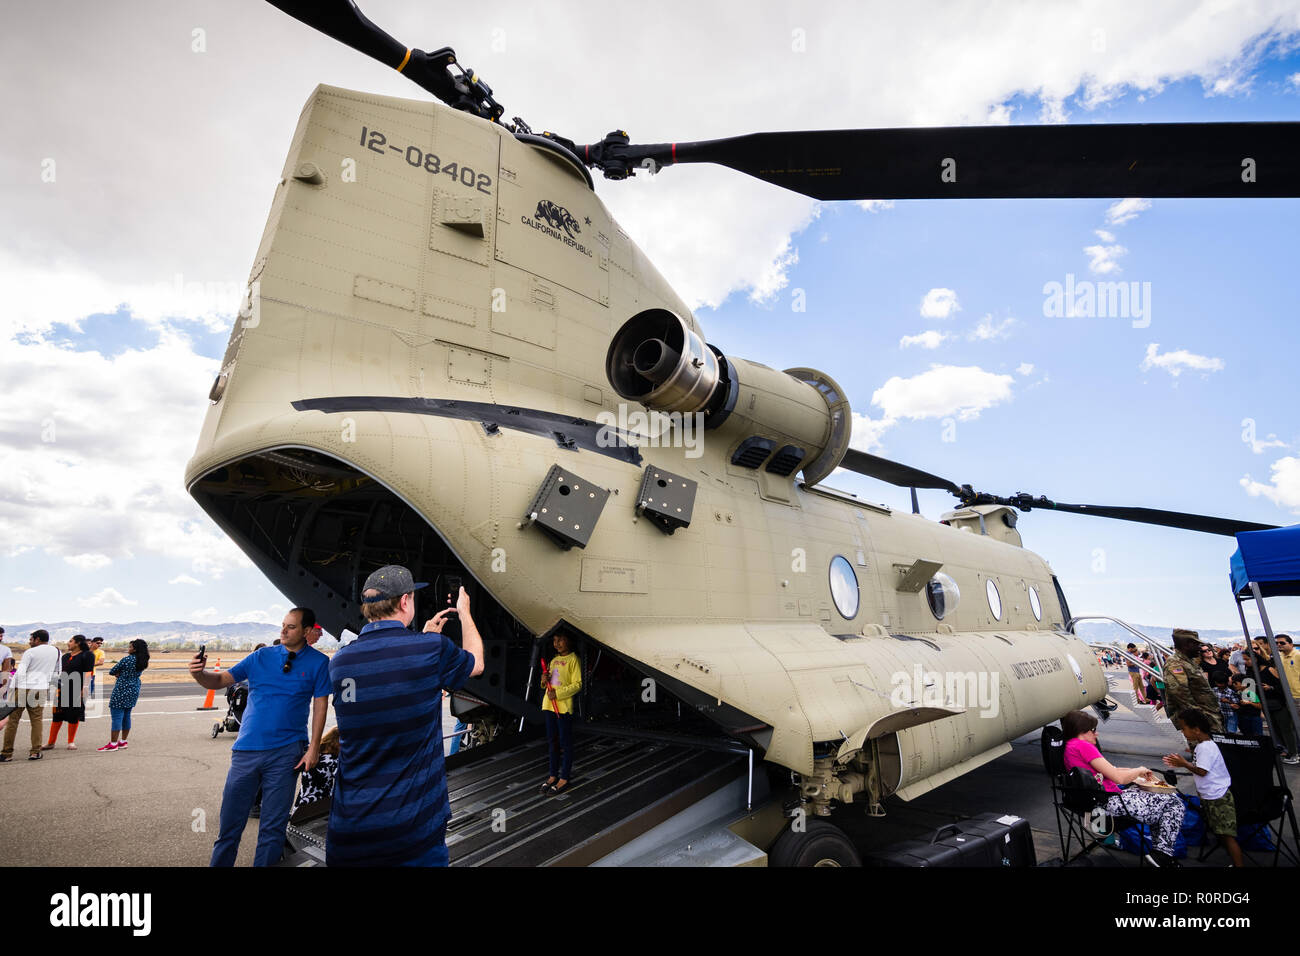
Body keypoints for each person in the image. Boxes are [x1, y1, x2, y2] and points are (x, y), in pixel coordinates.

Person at [326, 565, 484, 867]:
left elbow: (385, 682)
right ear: (404, 602)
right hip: (412, 836)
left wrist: (421, 641)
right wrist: (464, 613)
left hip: (350, 834)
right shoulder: (429, 650)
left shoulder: (340, 662)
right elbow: (475, 664)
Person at [190, 608, 330, 866]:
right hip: (246, 752)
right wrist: (199, 673)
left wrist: (314, 749)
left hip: (287, 753)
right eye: (283, 625)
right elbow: (220, 679)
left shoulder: (319, 663)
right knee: (229, 827)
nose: (283, 631)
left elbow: (320, 705)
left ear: (307, 631)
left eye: (291, 627)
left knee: (272, 830)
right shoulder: (260, 657)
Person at [1060, 708, 1186, 867]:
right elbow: (1118, 777)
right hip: (1109, 802)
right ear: (1082, 731)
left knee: (1163, 801)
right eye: (1093, 730)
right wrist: (1139, 770)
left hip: (1096, 801)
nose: (1096, 734)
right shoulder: (1083, 746)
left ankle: (1161, 854)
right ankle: (1162, 854)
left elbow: (1111, 769)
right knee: (1174, 803)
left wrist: (1138, 772)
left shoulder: (1071, 746)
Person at [1164, 708, 1244, 867]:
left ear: (1196, 730)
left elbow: (1202, 771)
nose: (1182, 731)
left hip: (1218, 797)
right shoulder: (1203, 746)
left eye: (1183, 728)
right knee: (1221, 833)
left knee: (1227, 836)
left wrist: (1184, 764)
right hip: (1211, 796)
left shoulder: (1205, 748)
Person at [1, 630, 61, 761]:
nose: (29, 641)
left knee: (13, 721)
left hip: (23, 687)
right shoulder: (56, 651)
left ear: (37, 639)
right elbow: (57, 671)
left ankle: (7, 753)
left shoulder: (30, 652)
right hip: (41, 689)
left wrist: (11, 689)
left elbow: (20, 672)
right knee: (36, 721)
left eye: (31, 639)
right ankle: (35, 752)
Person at [539, 630, 582, 793]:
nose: (556, 643)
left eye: (561, 640)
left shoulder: (573, 660)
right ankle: (552, 775)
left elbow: (577, 684)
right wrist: (544, 681)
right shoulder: (554, 660)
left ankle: (564, 777)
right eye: (555, 640)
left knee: (565, 743)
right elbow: (548, 682)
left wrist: (558, 694)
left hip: (562, 707)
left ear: (569, 641)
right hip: (549, 705)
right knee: (552, 742)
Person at [1163, 629, 1223, 733]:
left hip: (1208, 716)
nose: (1199, 648)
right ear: (1186, 645)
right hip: (1199, 721)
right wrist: (1199, 719)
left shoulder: (1189, 661)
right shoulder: (1175, 664)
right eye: (1196, 644)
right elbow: (1181, 695)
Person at [45, 635, 94, 750]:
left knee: (73, 715)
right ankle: (51, 742)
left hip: (77, 689)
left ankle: (71, 742)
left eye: (70, 641)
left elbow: (88, 672)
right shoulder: (66, 656)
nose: (68, 643)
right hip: (61, 688)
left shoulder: (87, 655)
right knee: (57, 716)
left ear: (78, 643)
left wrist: (85, 687)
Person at [100, 640, 149, 750]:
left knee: (117, 716)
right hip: (134, 688)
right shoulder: (143, 660)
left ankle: (113, 744)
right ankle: (123, 741)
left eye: (130, 646)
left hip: (122, 688)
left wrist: (120, 674)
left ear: (135, 649)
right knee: (127, 715)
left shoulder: (127, 659)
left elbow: (112, 671)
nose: (129, 648)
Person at [1232, 672, 1265, 737]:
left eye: (1236, 683)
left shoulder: (1250, 692)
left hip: (1253, 718)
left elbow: (1259, 706)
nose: (1234, 685)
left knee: (1257, 736)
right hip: (1244, 718)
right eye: (1233, 683)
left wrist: (1249, 703)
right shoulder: (1238, 692)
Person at [1211, 670, 1240, 735]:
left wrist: (1228, 701)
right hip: (1220, 715)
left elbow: (1237, 704)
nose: (1221, 685)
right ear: (1215, 682)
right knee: (1222, 731)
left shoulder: (1231, 692)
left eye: (1223, 683)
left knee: (1231, 731)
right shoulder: (1214, 690)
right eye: (1219, 683)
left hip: (1230, 714)